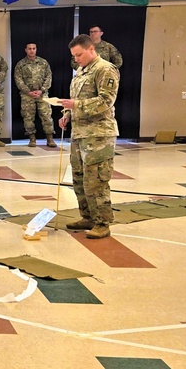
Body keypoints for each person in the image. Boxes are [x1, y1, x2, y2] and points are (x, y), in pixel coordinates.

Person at [60, 34, 120, 239]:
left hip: (99, 135)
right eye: (74, 56)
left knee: (96, 181)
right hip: (80, 134)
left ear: (91, 49)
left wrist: (76, 106)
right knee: (79, 178)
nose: (76, 59)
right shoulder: (81, 70)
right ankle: (87, 216)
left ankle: (102, 223)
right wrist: (67, 114)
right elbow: (76, 98)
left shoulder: (105, 69)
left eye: (79, 54)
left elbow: (106, 101)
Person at [13, 43, 57, 147]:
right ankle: (32, 138)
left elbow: (48, 77)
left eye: (33, 48)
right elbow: (18, 80)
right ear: (26, 50)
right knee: (28, 117)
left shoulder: (43, 62)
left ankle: (50, 138)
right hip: (27, 95)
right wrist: (28, 91)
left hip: (42, 94)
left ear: (36, 50)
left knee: (46, 116)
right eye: (29, 49)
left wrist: (41, 90)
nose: (32, 50)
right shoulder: (21, 64)